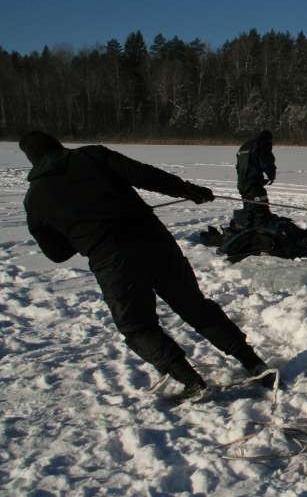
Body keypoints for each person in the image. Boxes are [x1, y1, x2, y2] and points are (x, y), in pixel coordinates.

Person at [20, 131, 274, 401]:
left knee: (138, 327)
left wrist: (78, 232)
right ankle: (254, 363)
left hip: (112, 261)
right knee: (194, 306)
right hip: (155, 243)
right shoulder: (91, 156)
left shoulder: (35, 200)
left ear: (31, 160)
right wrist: (189, 190)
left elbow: (56, 254)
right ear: (57, 145)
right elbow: (145, 175)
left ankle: (192, 382)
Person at [236, 130, 276, 228]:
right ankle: (259, 228)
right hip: (253, 183)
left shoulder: (244, 146)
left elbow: (239, 165)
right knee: (260, 206)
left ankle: (247, 225)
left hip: (242, 183)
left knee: (249, 205)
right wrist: (271, 176)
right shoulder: (262, 145)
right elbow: (266, 162)